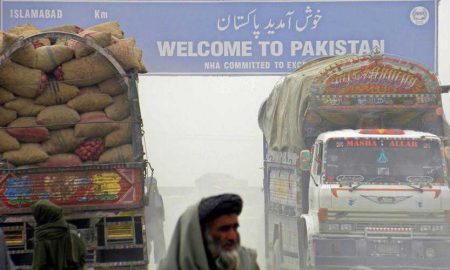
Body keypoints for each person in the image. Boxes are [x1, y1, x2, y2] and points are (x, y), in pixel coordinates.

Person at [158, 193, 259, 270]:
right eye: (224, 229)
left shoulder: (248, 264)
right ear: (201, 234)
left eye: (235, 227)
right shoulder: (173, 266)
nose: (232, 236)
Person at [31, 200, 87, 270]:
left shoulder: (42, 236)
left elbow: (38, 265)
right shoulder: (72, 230)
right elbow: (82, 255)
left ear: (43, 216)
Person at [145, 177, 166, 264]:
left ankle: (160, 264)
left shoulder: (158, 197)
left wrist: (161, 222)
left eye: (153, 185)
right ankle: (146, 263)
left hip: (157, 224)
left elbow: (162, 212)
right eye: (149, 185)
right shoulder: (143, 198)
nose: (151, 187)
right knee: (147, 247)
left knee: (159, 247)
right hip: (147, 224)